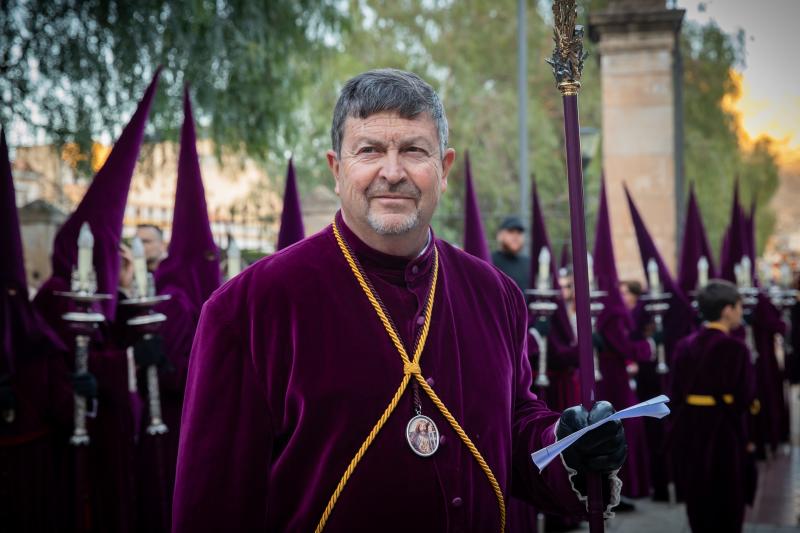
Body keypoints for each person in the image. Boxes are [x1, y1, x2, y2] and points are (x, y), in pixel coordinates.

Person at [172, 69, 627, 532]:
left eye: (413, 150)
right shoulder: (248, 309)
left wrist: (565, 444)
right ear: (336, 168)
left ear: (444, 169)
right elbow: (213, 503)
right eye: (369, 150)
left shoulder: (495, 294)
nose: (392, 172)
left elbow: (511, 429)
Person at [669, 280, 757, 533]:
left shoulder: (684, 345)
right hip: (724, 430)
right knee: (727, 493)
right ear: (727, 309)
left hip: (691, 427)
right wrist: (748, 436)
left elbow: (674, 392)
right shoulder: (736, 348)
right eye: (739, 306)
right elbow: (745, 397)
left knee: (699, 492)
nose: (742, 311)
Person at [491, 216, 529, 291]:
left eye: (519, 232)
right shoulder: (489, 261)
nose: (516, 236)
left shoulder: (529, 263)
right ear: (499, 235)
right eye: (511, 231)